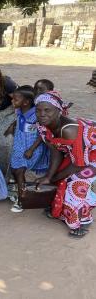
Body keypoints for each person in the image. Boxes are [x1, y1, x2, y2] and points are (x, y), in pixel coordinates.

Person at [35, 91, 96, 238]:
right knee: (59, 177)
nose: (42, 114)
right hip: (77, 154)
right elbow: (55, 150)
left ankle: (82, 221)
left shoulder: (69, 129)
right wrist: (49, 177)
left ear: (59, 111)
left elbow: (79, 165)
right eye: (38, 110)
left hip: (90, 156)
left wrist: (54, 177)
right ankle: (61, 211)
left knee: (75, 185)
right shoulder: (44, 125)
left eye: (47, 110)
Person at [9, 86, 49, 213]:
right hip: (19, 145)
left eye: (15, 99)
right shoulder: (20, 111)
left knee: (19, 171)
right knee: (15, 170)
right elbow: (20, 122)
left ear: (26, 102)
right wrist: (13, 126)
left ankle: (22, 199)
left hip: (32, 148)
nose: (12, 102)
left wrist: (31, 149)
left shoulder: (36, 115)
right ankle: (20, 189)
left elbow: (42, 133)